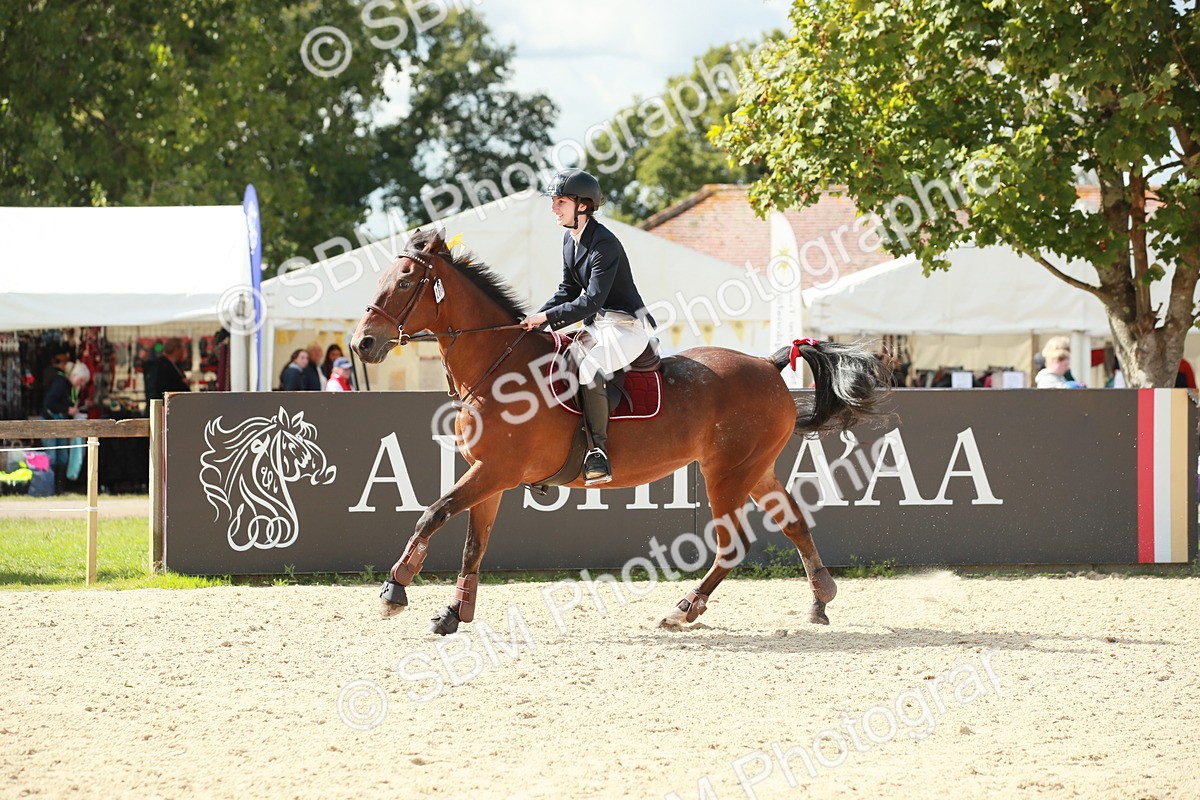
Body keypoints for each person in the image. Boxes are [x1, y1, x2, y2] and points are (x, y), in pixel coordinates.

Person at [520, 168, 655, 486]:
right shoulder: (570, 240)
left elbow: (593, 300)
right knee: (553, 360)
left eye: (560, 201)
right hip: (597, 327)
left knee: (588, 365)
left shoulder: (604, 244)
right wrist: (533, 322)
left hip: (625, 326)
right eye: (553, 201)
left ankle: (598, 452)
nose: (553, 208)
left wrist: (548, 320)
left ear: (583, 205)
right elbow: (566, 291)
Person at [145, 338, 191, 402]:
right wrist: (182, 384)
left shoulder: (177, 365)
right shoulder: (161, 365)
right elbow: (162, 387)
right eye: (182, 348)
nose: (183, 351)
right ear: (176, 349)